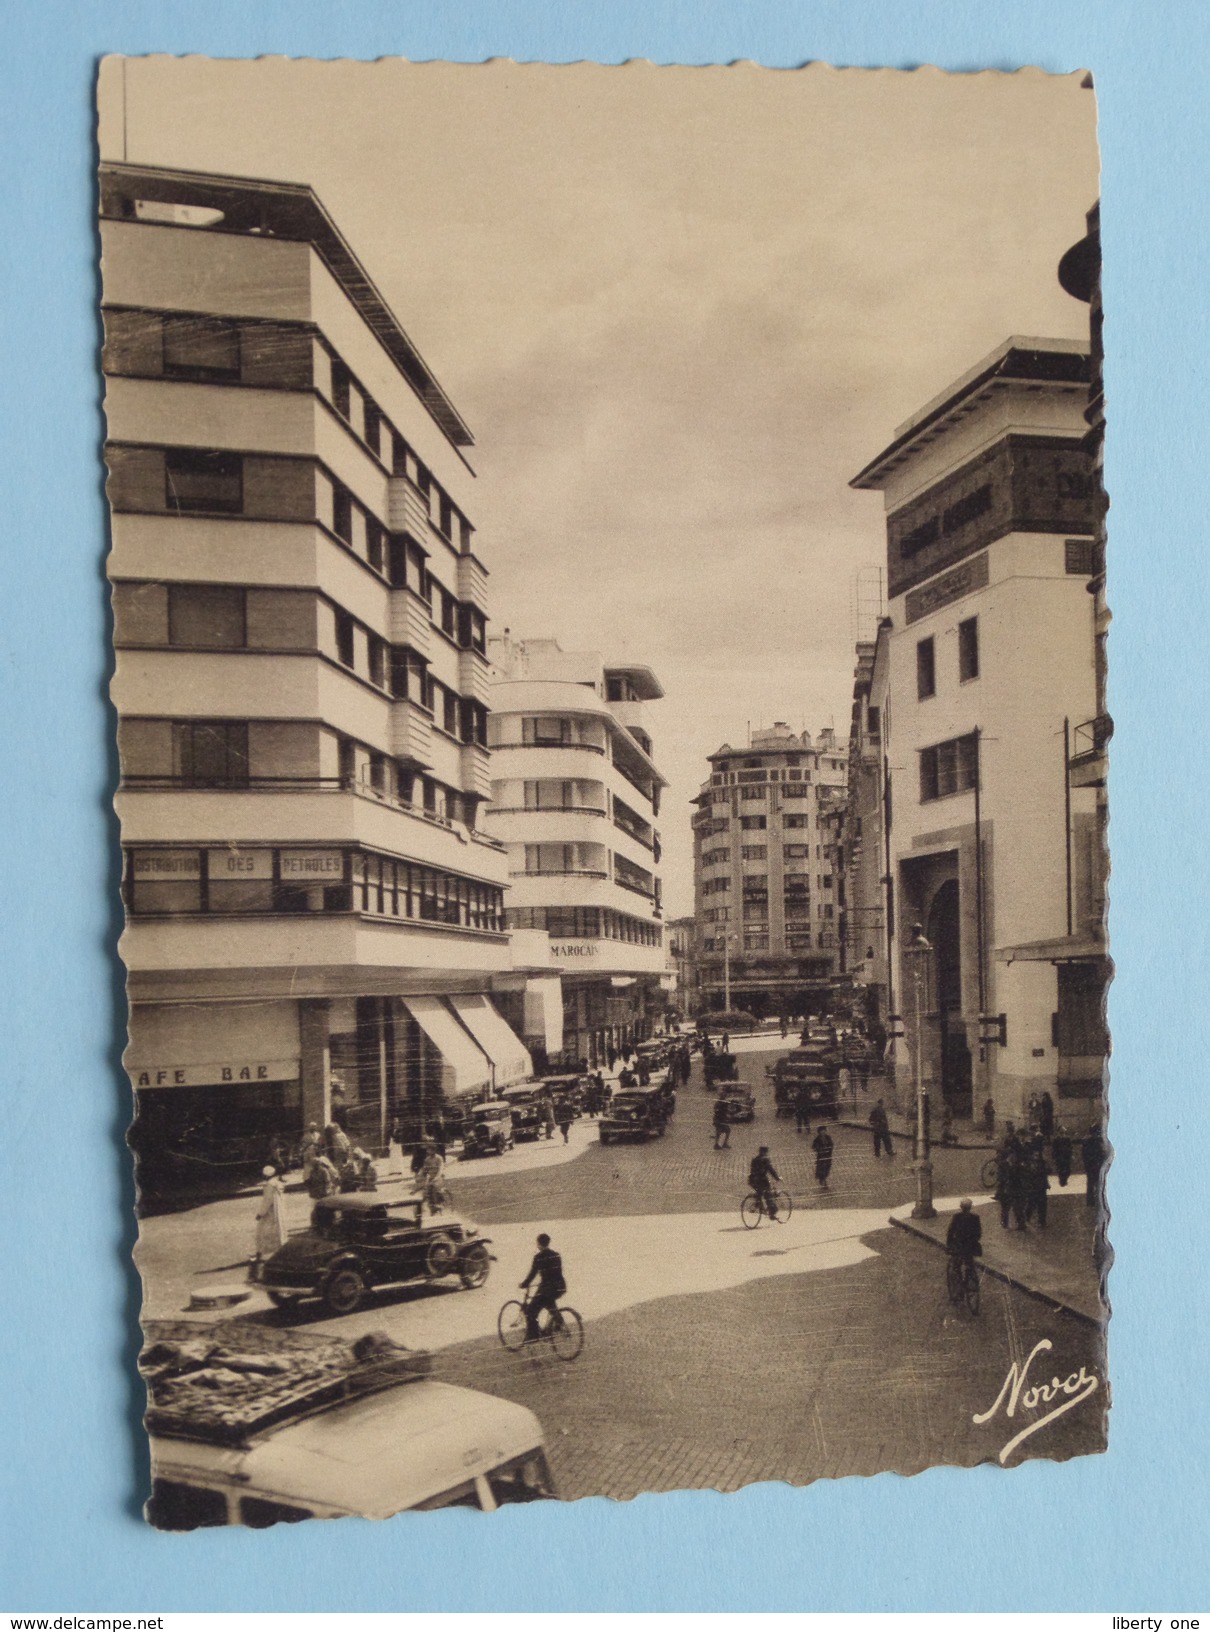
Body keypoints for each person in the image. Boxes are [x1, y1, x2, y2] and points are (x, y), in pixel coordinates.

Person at [520, 1232, 566, 1340]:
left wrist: (524, 1284)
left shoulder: (538, 1257)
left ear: (539, 1244)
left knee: (531, 1311)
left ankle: (533, 1335)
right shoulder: (556, 1255)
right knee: (549, 1303)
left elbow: (532, 1274)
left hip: (547, 1289)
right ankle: (558, 1323)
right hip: (560, 1286)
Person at [253, 1165, 287, 1264]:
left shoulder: (269, 1185)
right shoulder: (278, 1183)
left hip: (270, 1211)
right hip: (278, 1210)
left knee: (263, 1230)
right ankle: (280, 1250)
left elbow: (267, 1200)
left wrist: (260, 1213)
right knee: (278, 1229)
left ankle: (260, 1252)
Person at [946, 1198, 983, 1279]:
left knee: (957, 1263)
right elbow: (978, 1232)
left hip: (959, 1244)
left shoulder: (957, 1217)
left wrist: (949, 1243)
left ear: (961, 1207)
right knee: (969, 1262)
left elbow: (951, 1231)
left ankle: (959, 1277)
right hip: (970, 1245)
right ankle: (969, 1276)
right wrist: (974, 1241)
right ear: (970, 1207)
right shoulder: (975, 1217)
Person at [414, 1143, 448, 1214]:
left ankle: (440, 1203)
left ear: (434, 1150)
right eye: (428, 1150)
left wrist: (437, 1176)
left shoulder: (439, 1158)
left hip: (438, 1177)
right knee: (425, 1191)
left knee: (436, 1189)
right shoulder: (427, 1159)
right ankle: (429, 1206)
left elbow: (441, 1168)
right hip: (431, 1178)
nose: (428, 1151)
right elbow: (424, 1169)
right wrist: (419, 1175)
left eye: (430, 1150)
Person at [748, 1146, 780, 1219]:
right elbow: (771, 1170)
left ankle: (759, 1204)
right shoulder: (765, 1159)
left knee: (760, 1192)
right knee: (768, 1196)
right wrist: (777, 1178)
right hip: (762, 1180)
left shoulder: (754, 1159)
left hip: (753, 1180)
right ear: (766, 1152)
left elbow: (752, 1171)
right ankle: (772, 1214)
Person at [1082, 1123, 1106, 1209]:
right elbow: (1102, 1154)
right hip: (1097, 1165)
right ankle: (1098, 1199)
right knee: (1099, 1183)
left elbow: (1084, 1155)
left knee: (1091, 1183)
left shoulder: (1086, 1141)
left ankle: (1090, 1200)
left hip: (1090, 1165)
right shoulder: (1099, 1141)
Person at [1024, 1148, 1050, 1229]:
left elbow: (1048, 1171)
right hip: (1034, 1187)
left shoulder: (1042, 1163)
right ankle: (1027, 1217)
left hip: (1041, 1187)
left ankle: (1042, 1221)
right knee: (1032, 1204)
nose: (1037, 1156)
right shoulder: (1029, 1164)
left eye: (1038, 1155)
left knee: (1042, 1205)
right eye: (1035, 1155)